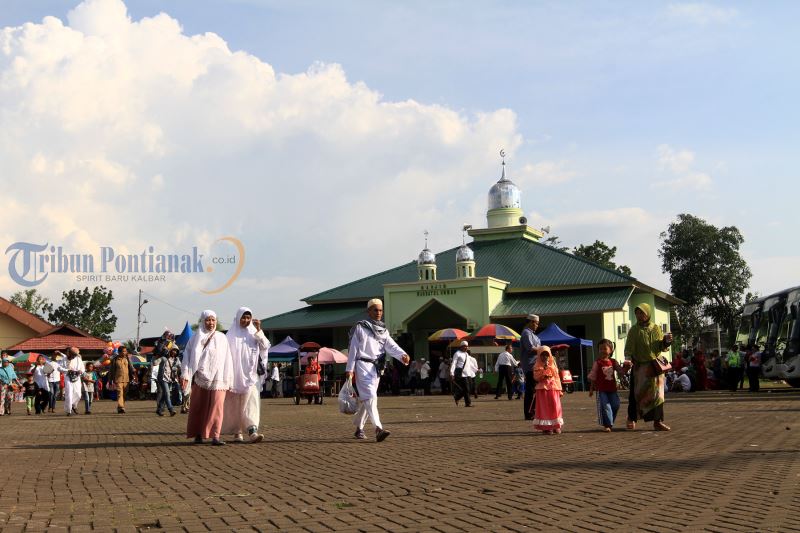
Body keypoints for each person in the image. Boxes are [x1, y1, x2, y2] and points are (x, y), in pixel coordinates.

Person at [345, 299, 410, 442]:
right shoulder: (361, 328)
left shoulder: (383, 330)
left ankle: (359, 428)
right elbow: (353, 349)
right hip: (362, 366)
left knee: (368, 399)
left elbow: (391, 346)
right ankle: (378, 429)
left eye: (380, 310)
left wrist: (402, 355)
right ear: (369, 312)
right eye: (375, 310)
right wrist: (350, 369)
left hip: (376, 369)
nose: (378, 313)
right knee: (371, 397)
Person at [181, 310, 233, 446]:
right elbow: (187, 358)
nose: (211, 323)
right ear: (203, 321)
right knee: (199, 406)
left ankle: (215, 436)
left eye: (213, 320)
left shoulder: (222, 338)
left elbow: (228, 359)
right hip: (200, 377)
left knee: (217, 406)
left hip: (219, 378)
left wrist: (229, 378)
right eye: (208, 320)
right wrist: (185, 374)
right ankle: (198, 434)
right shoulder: (195, 338)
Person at [222, 307, 270, 443]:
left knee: (251, 402)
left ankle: (252, 430)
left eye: (248, 318)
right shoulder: (230, 335)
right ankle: (237, 431)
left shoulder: (254, 332)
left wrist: (259, 330)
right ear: (238, 318)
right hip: (234, 375)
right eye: (243, 317)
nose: (246, 320)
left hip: (251, 376)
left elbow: (265, 346)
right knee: (234, 404)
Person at [624, 303, 673, 431]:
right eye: (637, 313)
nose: (639, 316)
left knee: (658, 396)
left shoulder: (655, 328)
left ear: (648, 314)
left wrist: (666, 341)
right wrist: (627, 360)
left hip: (654, 367)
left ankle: (657, 422)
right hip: (639, 368)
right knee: (636, 394)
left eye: (642, 313)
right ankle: (631, 418)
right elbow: (628, 348)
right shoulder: (633, 330)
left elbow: (661, 346)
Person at [588, 339, 627, 432]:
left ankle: (610, 422)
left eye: (604, 348)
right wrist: (591, 389)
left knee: (616, 405)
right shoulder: (597, 363)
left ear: (611, 350)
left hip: (612, 389)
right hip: (601, 389)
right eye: (600, 349)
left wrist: (626, 367)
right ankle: (607, 425)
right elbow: (593, 376)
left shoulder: (613, 362)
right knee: (605, 406)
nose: (602, 351)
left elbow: (620, 372)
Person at [532, 346, 564, 434]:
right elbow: (536, 377)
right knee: (544, 408)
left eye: (547, 355)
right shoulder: (537, 365)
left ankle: (556, 425)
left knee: (555, 407)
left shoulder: (553, 365)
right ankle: (546, 427)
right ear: (539, 355)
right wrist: (544, 371)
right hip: (542, 390)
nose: (545, 357)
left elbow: (557, 377)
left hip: (553, 388)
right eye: (542, 355)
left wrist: (560, 389)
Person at [520, 313, 541, 420]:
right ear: (531, 322)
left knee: (537, 390)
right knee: (530, 390)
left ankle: (534, 411)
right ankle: (528, 413)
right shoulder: (526, 333)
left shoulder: (535, 336)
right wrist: (543, 349)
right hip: (530, 366)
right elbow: (530, 348)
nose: (537, 325)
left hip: (537, 365)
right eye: (536, 323)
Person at [109, 346, 135, 414]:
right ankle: (121, 407)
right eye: (123, 351)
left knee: (124, 395)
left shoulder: (128, 359)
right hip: (118, 379)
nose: (125, 352)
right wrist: (110, 380)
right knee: (120, 394)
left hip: (127, 379)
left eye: (125, 351)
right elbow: (111, 370)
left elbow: (131, 367)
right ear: (119, 352)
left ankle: (120, 407)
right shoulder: (115, 360)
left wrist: (133, 372)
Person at [59, 347, 84, 416]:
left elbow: (82, 368)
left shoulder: (78, 359)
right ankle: (68, 410)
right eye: (72, 354)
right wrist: (67, 370)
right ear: (69, 353)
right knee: (69, 394)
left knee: (78, 394)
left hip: (77, 378)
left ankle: (74, 405)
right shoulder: (64, 359)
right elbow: (59, 368)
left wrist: (80, 371)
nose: (74, 356)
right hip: (67, 377)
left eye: (75, 355)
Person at [156, 348, 179, 417]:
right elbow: (155, 362)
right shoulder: (164, 358)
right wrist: (157, 360)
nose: (174, 352)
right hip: (162, 378)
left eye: (176, 351)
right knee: (167, 393)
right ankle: (171, 409)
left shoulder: (176, 360)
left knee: (164, 395)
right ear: (169, 351)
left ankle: (159, 410)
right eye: (173, 350)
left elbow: (179, 366)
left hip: (170, 379)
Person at [450, 340, 472, 407]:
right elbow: (453, 363)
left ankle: (457, 397)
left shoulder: (467, 354)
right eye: (464, 346)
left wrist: (475, 370)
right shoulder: (457, 353)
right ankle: (468, 403)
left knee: (470, 388)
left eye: (467, 346)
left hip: (468, 373)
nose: (466, 347)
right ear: (461, 347)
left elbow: (469, 364)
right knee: (466, 388)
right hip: (461, 374)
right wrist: (452, 373)